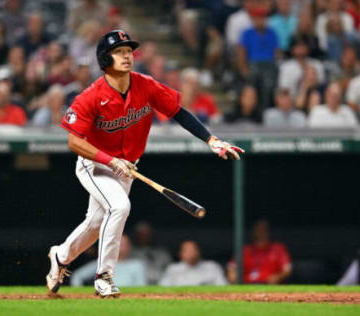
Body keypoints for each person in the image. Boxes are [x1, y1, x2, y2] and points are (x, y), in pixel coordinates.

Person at [46, 29, 244, 298]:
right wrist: (110, 160)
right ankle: (104, 277)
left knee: (95, 224)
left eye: (129, 51)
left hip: (127, 166)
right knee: (119, 206)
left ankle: (60, 256)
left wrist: (211, 140)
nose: (127, 56)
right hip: (95, 164)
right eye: (119, 52)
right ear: (106, 58)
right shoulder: (91, 95)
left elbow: (179, 113)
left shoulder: (145, 85)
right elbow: (74, 141)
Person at [227, 220, 292, 284]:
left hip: (269, 285)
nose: (261, 232)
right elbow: (232, 266)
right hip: (247, 285)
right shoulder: (245, 250)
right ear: (254, 231)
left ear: (269, 232)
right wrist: (232, 274)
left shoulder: (278, 249)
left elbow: (287, 269)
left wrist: (278, 277)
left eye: (264, 230)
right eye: (258, 229)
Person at [71, 234, 146, 287]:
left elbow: (142, 286)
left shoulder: (137, 265)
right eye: (119, 244)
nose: (121, 247)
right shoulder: (102, 263)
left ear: (129, 246)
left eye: (123, 244)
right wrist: (81, 293)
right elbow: (77, 276)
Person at [159, 240, 227, 286]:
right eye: (186, 250)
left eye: (193, 250)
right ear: (180, 254)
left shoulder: (212, 266)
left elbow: (223, 286)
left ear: (199, 251)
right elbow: (162, 287)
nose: (190, 253)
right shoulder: (173, 269)